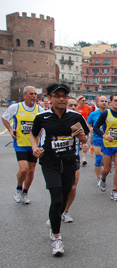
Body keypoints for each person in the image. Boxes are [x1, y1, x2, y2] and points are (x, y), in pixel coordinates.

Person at [30, 84, 89, 256]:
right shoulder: (42, 117)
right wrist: (35, 148)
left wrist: (82, 137)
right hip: (50, 161)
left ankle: (55, 217)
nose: (61, 99)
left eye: (64, 95)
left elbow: (85, 137)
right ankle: (57, 238)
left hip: (69, 161)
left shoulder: (75, 117)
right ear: (49, 98)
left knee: (64, 196)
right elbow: (34, 134)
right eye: (57, 96)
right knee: (56, 198)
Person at [1, 85, 41, 205]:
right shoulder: (16, 107)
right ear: (24, 95)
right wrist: (10, 129)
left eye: (35, 94)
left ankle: (25, 192)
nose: (34, 96)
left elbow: (43, 126)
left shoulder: (39, 110)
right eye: (31, 94)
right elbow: (4, 118)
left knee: (31, 170)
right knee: (24, 169)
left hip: (34, 145)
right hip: (20, 143)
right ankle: (18, 188)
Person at [93, 94, 117, 201]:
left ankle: (114, 191)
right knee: (107, 168)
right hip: (108, 145)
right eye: (115, 101)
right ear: (111, 102)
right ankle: (103, 178)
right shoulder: (106, 114)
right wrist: (104, 135)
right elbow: (96, 128)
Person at [62, 98, 88, 223]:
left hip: (73, 156)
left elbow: (85, 135)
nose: (73, 107)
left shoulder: (77, 118)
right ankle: (57, 209)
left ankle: (65, 211)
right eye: (70, 105)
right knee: (59, 187)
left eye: (74, 105)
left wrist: (84, 142)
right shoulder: (56, 119)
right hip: (57, 157)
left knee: (72, 187)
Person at [87, 96, 108, 185]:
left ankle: (104, 172)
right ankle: (99, 177)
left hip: (108, 138)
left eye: (105, 101)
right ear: (98, 103)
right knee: (99, 157)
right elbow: (88, 123)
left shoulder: (110, 113)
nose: (104, 103)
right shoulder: (93, 114)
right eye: (102, 101)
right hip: (97, 137)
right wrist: (90, 128)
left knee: (105, 160)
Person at [76, 96, 91, 166]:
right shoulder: (76, 107)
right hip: (76, 127)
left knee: (85, 142)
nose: (84, 102)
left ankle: (84, 158)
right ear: (78, 101)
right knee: (76, 143)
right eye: (82, 100)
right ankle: (77, 155)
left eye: (85, 100)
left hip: (85, 126)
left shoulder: (88, 108)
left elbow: (90, 117)